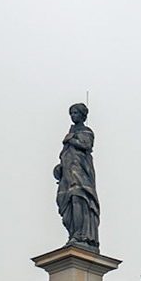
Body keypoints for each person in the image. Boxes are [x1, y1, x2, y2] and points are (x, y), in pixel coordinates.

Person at [54, 102, 99, 249]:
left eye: (76, 113)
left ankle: (80, 234)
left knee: (78, 198)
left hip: (81, 175)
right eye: (71, 113)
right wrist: (59, 169)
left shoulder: (86, 132)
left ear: (82, 115)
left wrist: (71, 139)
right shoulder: (69, 135)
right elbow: (64, 156)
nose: (73, 116)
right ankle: (73, 233)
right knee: (65, 204)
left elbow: (87, 146)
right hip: (67, 177)